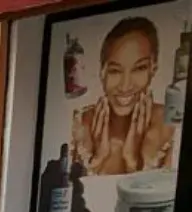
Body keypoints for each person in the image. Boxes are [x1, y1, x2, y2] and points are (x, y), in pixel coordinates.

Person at [71, 16, 176, 176]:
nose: (125, 86)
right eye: (115, 71)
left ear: (153, 69)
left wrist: (132, 161)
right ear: (102, 72)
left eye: (139, 68)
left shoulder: (170, 126)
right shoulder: (81, 123)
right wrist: (98, 159)